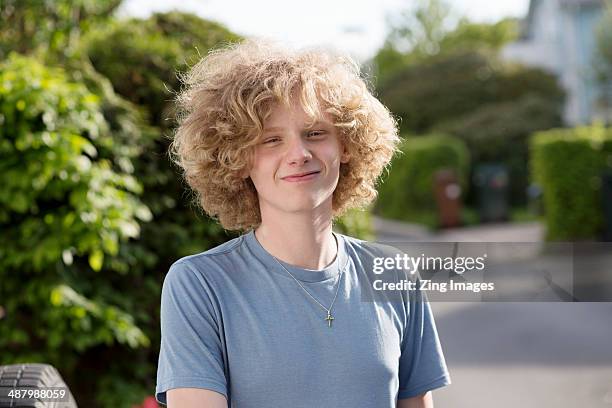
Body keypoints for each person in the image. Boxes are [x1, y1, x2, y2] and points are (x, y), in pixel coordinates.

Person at [155, 38, 451, 408]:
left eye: (315, 133)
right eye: (271, 140)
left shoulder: (394, 275)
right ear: (238, 159)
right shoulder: (200, 285)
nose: (298, 154)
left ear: (346, 145)